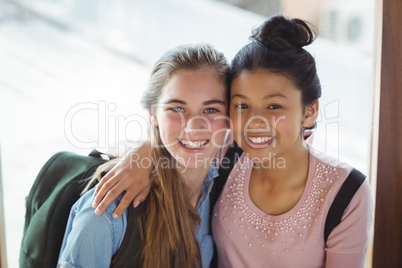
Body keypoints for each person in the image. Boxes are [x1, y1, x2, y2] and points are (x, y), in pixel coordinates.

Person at [93, 15, 373, 268]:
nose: (255, 123)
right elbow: (173, 136)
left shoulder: (345, 194)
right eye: (242, 106)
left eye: (274, 107)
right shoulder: (226, 151)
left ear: (309, 112)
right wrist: (143, 156)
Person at [57, 43, 230, 268]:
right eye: (177, 108)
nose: (194, 128)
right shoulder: (107, 214)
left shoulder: (224, 189)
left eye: (211, 110)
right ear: (153, 114)